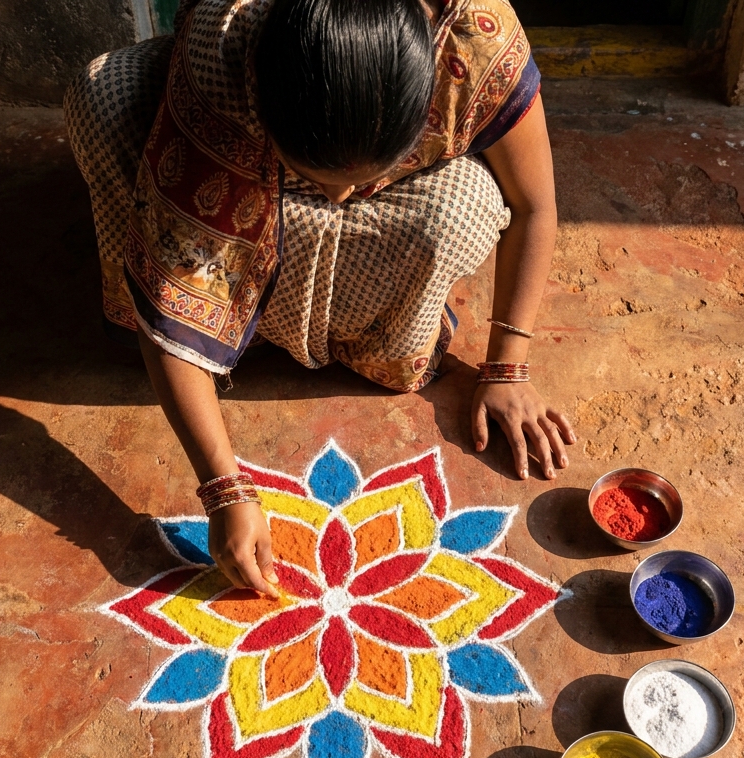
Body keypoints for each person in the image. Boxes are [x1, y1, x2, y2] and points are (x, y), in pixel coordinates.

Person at [65, 0, 575, 599]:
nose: (341, 197)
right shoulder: (227, 46)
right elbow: (179, 279)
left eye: (361, 177)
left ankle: (288, 328)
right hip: (242, 180)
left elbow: (535, 206)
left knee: (467, 206)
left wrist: (508, 364)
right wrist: (223, 488)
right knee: (104, 97)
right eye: (317, 172)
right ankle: (222, 335)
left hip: (381, 213)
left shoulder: (476, 39)